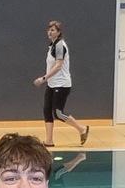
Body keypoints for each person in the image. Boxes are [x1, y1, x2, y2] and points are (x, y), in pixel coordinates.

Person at [36, 19, 89, 147]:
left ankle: (82, 129)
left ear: (59, 32)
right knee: (47, 110)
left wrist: (43, 78)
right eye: (49, 29)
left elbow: (58, 66)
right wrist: (48, 80)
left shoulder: (60, 46)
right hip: (52, 84)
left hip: (61, 84)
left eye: (53, 30)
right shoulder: (52, 45)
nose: (50, 32)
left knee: (58, 113)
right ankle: (49, 141)